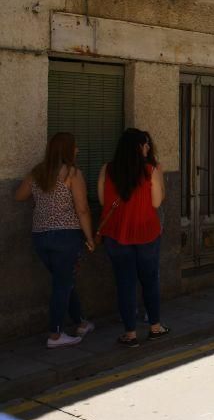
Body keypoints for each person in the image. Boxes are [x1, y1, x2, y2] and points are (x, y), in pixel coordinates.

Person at [14, 133, 95, 348]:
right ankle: (56, 335)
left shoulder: (38, 172)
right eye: (74, 147)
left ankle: (80, 322)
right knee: (62, 283)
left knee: (64, 280)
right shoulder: (72, 173)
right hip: (66, 236)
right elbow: (83, 209)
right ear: (67, 150)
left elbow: (19, 196)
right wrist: (90, 238)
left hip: (40, 236)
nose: (77, 150)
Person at [98, 128, 167, 347]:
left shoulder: (107, 169)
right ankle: (155, 327)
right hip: (146, 232)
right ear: (138, 147)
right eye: (145, 144)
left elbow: (102, 201)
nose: (148, 147)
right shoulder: (151, 170)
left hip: (116, 234)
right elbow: (156, 203)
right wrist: (160, 176)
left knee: (125, 283)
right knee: (150, 280)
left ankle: (130, 334)